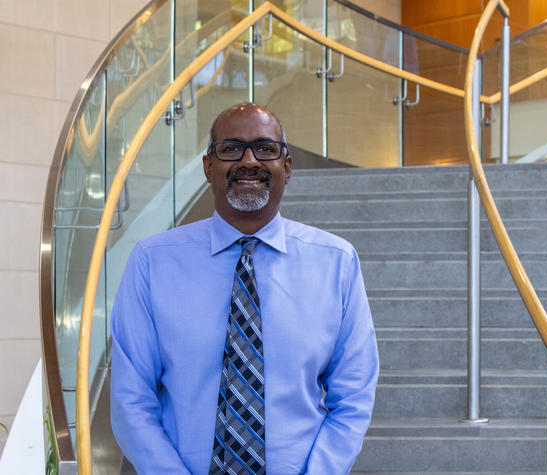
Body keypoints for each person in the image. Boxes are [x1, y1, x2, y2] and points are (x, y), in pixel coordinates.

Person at [110, 103, 379, 474]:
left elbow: (353, 396)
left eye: (265, 148)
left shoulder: (337, 263)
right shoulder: (152, 262)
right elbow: (131, 400)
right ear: (208, 166)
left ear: (286, 167)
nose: (249, 160)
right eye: (231, 148)